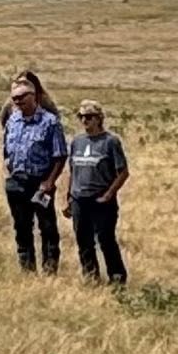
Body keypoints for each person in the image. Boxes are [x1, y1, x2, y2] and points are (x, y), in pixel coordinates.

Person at [1, 77, 68, 273]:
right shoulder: (12, 121)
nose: (18, 101)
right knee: (21, 227)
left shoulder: (50, 122)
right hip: (16, 182)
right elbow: (6, 149)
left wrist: (49, 181)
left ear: (33, 96)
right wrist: (8, 169)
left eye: (22, 97)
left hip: (40, 183)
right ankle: (27, 269)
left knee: (47, 228)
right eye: (14, 98)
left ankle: (50, 269)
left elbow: (60, 155)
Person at [65, 100, 129, 285]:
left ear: (99, 118)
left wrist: (109, 194)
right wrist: (69, 197)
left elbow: (123, 172)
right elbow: (73, 171)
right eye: (82, 117)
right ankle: (91, 277)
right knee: (83, 240)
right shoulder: (77, 142)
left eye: (89, 117)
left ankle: (117, 278)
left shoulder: (110, 142)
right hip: (79, 199)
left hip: (101, 200)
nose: (85, 120)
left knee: (105, 239)